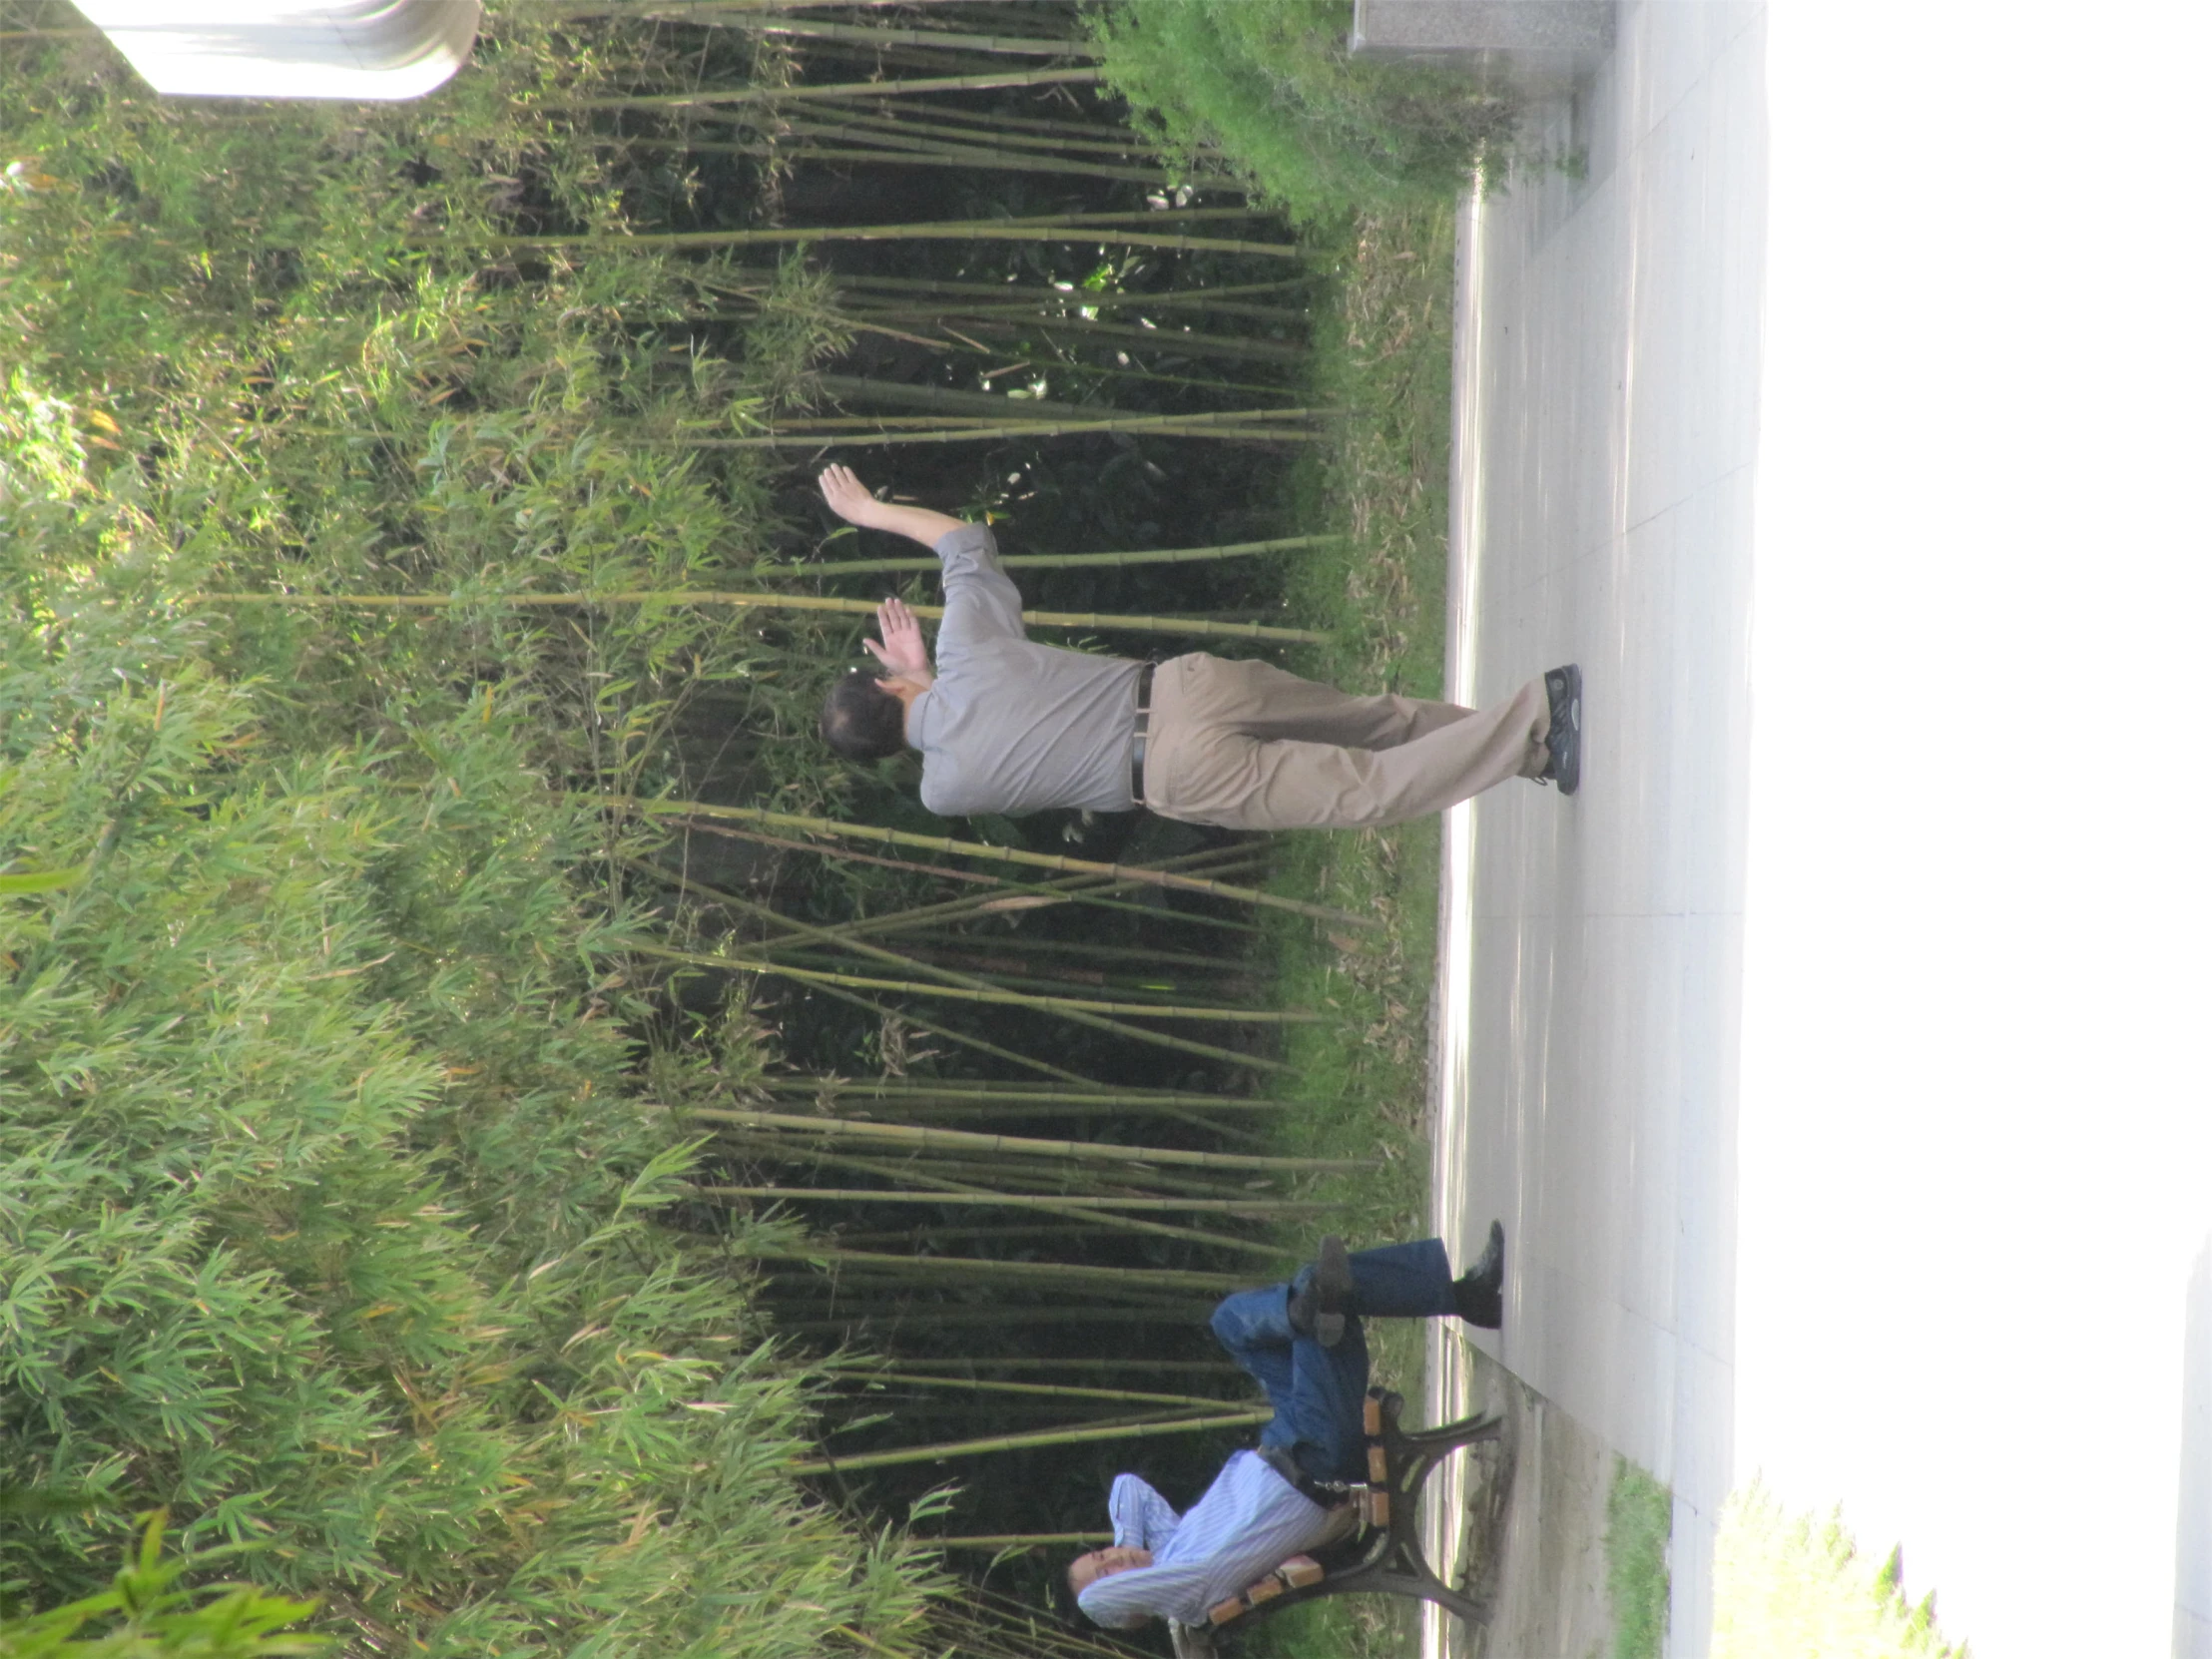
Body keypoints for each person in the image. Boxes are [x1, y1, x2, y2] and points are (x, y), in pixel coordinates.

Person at [814, 465, 1582, 829]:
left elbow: (959, 732)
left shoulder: (941, 793)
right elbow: (962, 543)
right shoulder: (967, 652)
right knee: (1376, 721)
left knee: (1368, 790)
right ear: (886, 684)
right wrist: (873, 511)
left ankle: (1532, 713)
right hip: (1188, 687)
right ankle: (1534, 752)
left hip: (1176, 774)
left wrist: (918, 683)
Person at [1067, 1229, 1506, 1632]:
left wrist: (1124, 1547)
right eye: (1109, 1573)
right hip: (1319, 1457)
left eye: (1102, 1555)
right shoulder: (1186, 1592)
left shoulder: (1170, 1547)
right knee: (1320, 1299)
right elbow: (1099, 1601)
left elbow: (1128, 1489)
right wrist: (1109, 1579)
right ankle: (1442, 1298)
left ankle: (1304, 1312)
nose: (1113, 1559)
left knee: (1236, 1322)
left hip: (1288, 1434)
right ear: (1129, 1602)